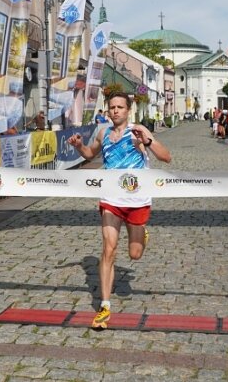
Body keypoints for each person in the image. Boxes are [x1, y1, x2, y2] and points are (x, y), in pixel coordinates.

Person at [67, 91, 171, 329]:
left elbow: (166, 158)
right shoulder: (102, 132)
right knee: (108, 250)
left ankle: (141, 235)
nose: (115, 111)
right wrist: (79, 146)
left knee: (134, 254)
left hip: (137, 201)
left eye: (120, 107)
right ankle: (104, 306)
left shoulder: (139, 131)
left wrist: (147, 142)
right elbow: (89, 154)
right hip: (111, 199)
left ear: (128, 110)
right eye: (112, 107)